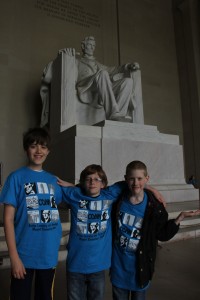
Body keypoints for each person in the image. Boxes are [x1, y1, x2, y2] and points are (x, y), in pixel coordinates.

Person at [57, 164, 165, 300]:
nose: (92, 182)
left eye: (97, 179)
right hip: (75, 264)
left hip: (98, 265)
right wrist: (72, 186)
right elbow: (52, 184)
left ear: (103, 184)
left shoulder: (109, 194)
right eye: (88, 179)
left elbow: (131, 182)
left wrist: (152, 189)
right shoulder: (75, 194)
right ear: (82, 182)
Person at [110, 160, 200, 300]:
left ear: (147, 179)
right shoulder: (117, 202)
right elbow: (100, 190)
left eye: (140, 179)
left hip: (141, 269)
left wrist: (180, 218)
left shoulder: (155, 207)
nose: (136, 183)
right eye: (132, 179)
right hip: (118, 269)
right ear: (126, 179)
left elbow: (162, 234)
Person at [0, 127, 63, 300]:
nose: (38, 151)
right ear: (26, 148)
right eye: (33, 146)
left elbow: (79, 195)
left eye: (43, 146)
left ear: (48, 151)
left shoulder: (53, 180)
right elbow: (8, 219)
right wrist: (14, 257)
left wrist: (72, 186)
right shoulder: (16, 178)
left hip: (48, 254)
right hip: (24, 255)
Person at [40, 36, 143, 127]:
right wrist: (63, 53)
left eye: (94, 45)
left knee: (127, 81)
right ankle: (113, 112)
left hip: (99, 88)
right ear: (83, 46)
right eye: (89, 45)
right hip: (85, 87)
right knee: (102, 73)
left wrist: (128, 66)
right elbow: (50, 72)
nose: (92, 47)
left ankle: (118, 116)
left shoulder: (98, 64)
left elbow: (115, 69)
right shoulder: (77, 61)